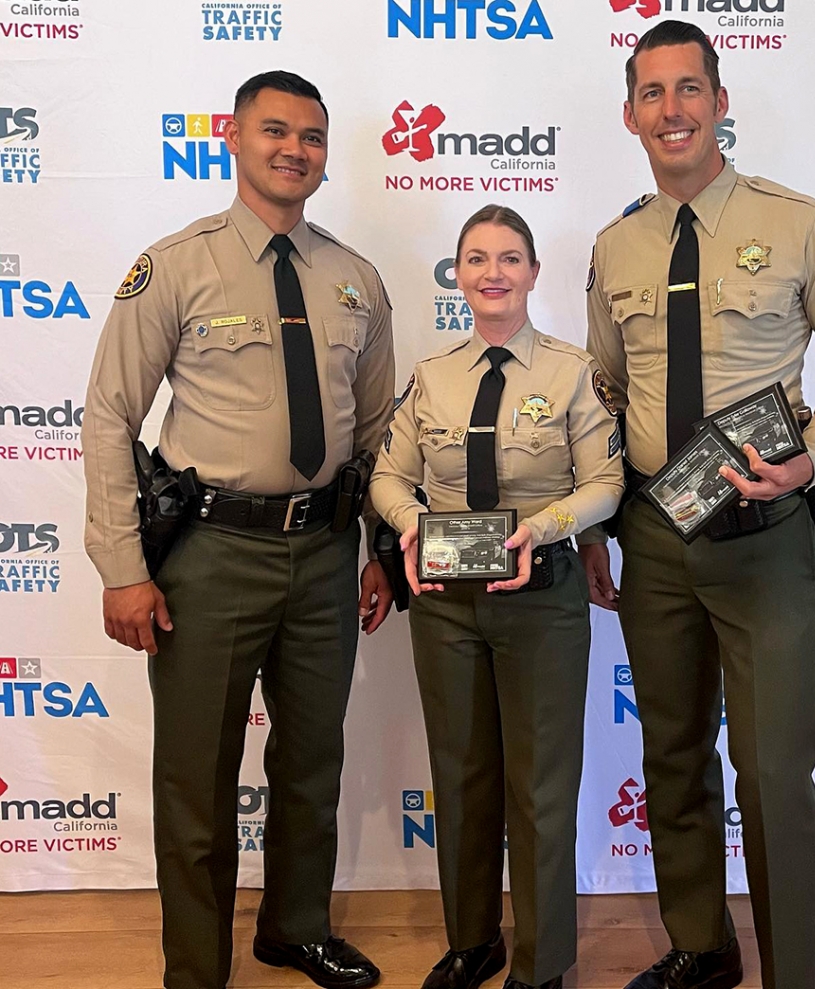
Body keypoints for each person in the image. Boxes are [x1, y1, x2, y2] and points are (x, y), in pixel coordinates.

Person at [578, 21, 815, 989]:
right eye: (651, 93)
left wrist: (810, 459)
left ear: (720, 103)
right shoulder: (614, 245)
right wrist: (595, 523)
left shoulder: (795, 222)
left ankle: (788, 971)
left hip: (764, 538)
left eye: (688, 90)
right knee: (671, 754)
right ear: (628, 114)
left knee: (768, 772)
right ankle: (701, 945)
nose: (670, 110)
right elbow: (602, 385)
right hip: (653, 534)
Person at [81, 70, 395, 989]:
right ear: (232, 136)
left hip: (328, 552)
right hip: (209, 557)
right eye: (275, 131)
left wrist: (382, 551)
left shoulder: (355, 279)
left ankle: (295, 926)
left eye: (311, 136)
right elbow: (109, 417)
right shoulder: (176, 266)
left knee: (312, 760)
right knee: (196, 777)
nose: (294, 149)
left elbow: (379, 436)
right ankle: (195, 967)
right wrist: (120, 566)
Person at [371, 205, 624, 989]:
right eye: (477, 258)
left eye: (510, 258)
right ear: (458, 274)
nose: (493, 273)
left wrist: (544, 527)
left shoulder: (570, 371)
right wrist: (412, 525)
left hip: (541, 600)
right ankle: (472, 940)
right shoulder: (432, 376)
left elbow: (607, 483)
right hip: (446, 603)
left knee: (541, 786)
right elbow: (386, 474)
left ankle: (543, 963)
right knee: (462, 774)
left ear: (534, 273)